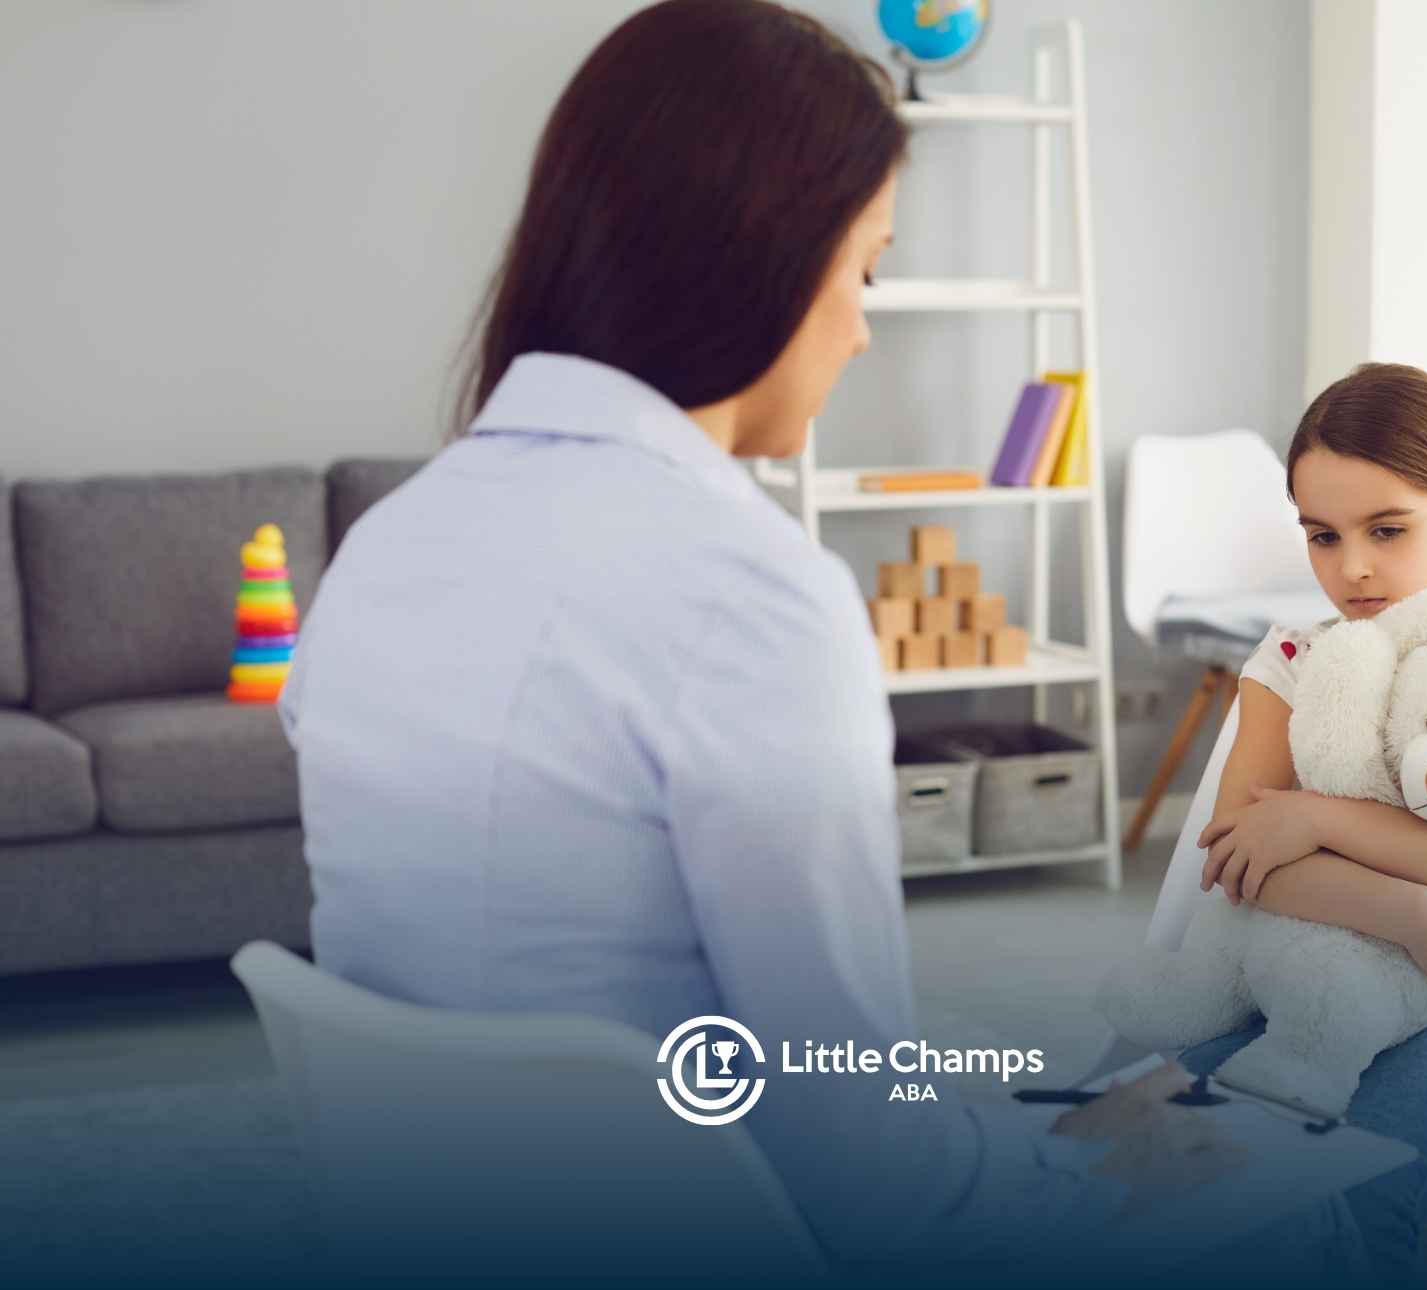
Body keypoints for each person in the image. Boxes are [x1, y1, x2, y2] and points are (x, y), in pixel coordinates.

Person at [277, 2, 1251, 1282]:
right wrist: (1075, 1165)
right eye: (864, 266)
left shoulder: (380, 553)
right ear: (768, 253)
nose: (861, 325)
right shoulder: (754, 599)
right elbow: (865, 1178)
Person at [1181, 361, 1427, 1282]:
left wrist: (1317, 818)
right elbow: (1239, 859)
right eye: (1322, 535)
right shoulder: (1286, 664)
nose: (1350, 566)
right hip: (1284, 988)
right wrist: (1417, 911)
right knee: (1163, 1174)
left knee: (1349, 1200)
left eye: (1386, 531)